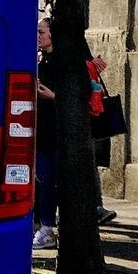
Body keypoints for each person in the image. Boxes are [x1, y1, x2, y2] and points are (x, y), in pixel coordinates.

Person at [33, 17, 117, 250]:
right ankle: (44, 227)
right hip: (42, 133)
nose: (37, 36)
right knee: (43, 181)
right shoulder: (39, 59)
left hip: (62, 133)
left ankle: (52, 228)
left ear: (53, 35)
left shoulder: (68, 63)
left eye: (41, 31)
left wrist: (53, 96)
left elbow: (80, 99)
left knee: (57, 182)